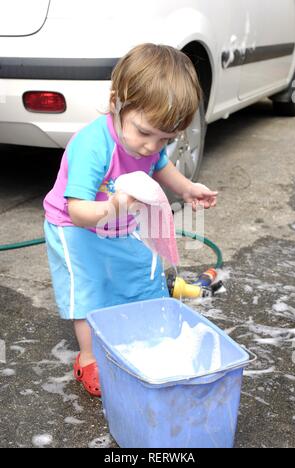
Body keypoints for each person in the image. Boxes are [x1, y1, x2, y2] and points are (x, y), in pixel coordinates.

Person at [43, 43, 218, 397]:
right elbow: (78, 210)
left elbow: (159, 165)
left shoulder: (148, 143)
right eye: (144, 133)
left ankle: (135, 332)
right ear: (117, 103)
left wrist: (185, 189)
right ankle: (89, 359)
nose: (151, 146)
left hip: (118, 220)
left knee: (141, 274)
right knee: (92, 291)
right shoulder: (93, 146)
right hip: (74, 227)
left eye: (165, 138)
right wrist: (116, 207)